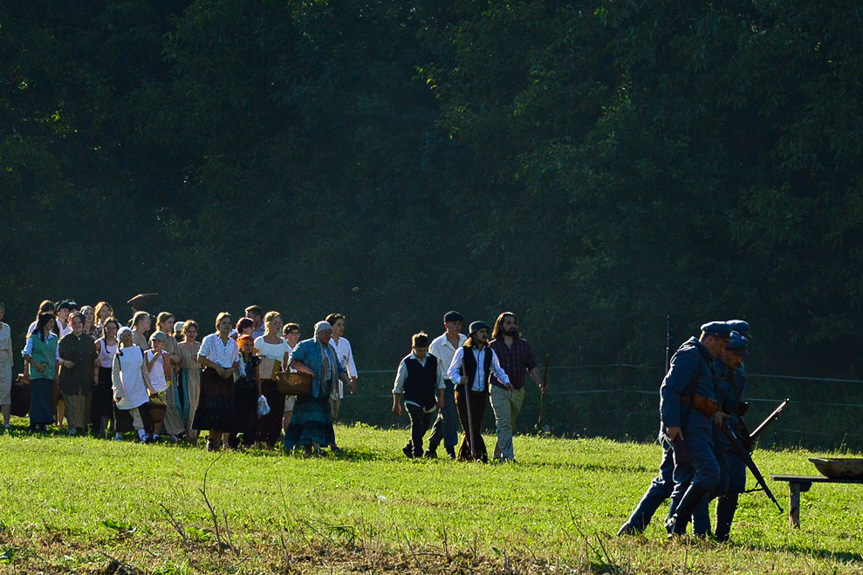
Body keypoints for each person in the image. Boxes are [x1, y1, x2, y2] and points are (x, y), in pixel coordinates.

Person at [617, 321, 731, 536]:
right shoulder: (691, 355)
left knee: (666, 481)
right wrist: (672, 424)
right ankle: (677, 522)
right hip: (687, 432)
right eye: (722, 344)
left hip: (690, 430)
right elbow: (669, 389)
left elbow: (695, 395)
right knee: (709, 472)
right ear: (710, 339)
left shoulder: (703, 359)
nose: (724, 350)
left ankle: (633, 528)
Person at [285, 321, 355, 455]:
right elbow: (293, 361)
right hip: (308, 390)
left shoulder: (330, 349)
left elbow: (339, 369)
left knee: (319, 419)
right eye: (325, 333)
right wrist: (308, 371)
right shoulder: (306, 345)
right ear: (317, 333)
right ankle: (307, 448)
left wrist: (348, 382)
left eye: (329, 333)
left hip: (324, 390)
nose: (328, 336)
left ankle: (316, 447)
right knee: (308, 419)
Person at [447, 321, 511, 463]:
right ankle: (480, 455)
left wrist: (506, 381)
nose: (484, 335)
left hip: (480, 394)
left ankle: (463, 457)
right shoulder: (462, 351)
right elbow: (451, 371)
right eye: (481, 332)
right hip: (464, 394)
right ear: (473, 334)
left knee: (474, 426)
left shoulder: (489, 351)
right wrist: (459, 379)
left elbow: (497, 369)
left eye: (485, 332)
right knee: (469, 425)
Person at [711, 323, 751, 542]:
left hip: (732, 427)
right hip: (717, 429)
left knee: (734, 483)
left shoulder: (736, 367)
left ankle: (722, 534)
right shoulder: (715, 366)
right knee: (716, 480)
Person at [488, 312, 545, 462]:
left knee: (510, 424)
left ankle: (497, 454)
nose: (511, 325)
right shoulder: (492, 346)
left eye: (513, 323)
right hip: (499, 390)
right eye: (508, 323)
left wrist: (540, 383)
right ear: (500, 326)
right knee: (504, 423)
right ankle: (508, 458)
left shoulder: (523, 345)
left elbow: (532, 367)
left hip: (518, 391)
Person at [392, 332, 445, 458]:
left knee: (424, 426)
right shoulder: (406, 362)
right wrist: (396, 403)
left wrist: (441, 398)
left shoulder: (433, 361)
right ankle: (417, 452)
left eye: (424, 350)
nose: (421, 353)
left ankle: (409, 446)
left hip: (428, 398)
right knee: (416, 422)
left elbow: (440, 381)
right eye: (419, 350)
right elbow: (398, 385)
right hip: (412, 398)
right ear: (413, 348)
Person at [194, 312, 239, 451]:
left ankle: (218, 443)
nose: (226, 326)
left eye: (229, 323)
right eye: (223, 323)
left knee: (224, 410)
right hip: (212, 375)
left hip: (227, 377)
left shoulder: (233, 343)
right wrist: (217, 367)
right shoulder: (210, 339)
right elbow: (200, 357)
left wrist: (230, 371)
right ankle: (211, 440)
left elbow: (236, 362)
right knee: (213, 409)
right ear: (218, 325)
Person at [426, 311, 466, 459]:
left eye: (459, 324)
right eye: (454, 324)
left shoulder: (465, 340)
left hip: (461, 382)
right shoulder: (436, 345)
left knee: (444, 416)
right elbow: (432, 369)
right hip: (444, 383)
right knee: (449, 415)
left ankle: (431, 448)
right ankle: (450, 449)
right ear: (446, 325)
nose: (457, 327)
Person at [112, 326, 157, 442]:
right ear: (119, 338)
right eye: (124, 335)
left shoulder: (139, 351)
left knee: (138, 410)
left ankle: (142, 433)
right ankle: (119, 434)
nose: (127, 338)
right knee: (122, 410)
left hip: (138, 385)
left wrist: (150, 388)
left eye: (128, 335)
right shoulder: (118, 354)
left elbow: (144, 370)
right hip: (124, 385)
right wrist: (118, 390)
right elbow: (115, 374)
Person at [57, 312, 98, 435]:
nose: (77, 325)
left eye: (79, 322)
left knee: (83, 402)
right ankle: (72, 427)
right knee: (71, 401)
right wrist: (64, 362)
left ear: (83, 324)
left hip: (85, 376)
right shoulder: (65, 340)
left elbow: (94, 359)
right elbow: (56, 357)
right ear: (70, 324)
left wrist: (96, 375)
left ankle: (82, 427)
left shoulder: (89, 341)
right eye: (74, 323)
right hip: (69, 377)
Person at [254, 311, 289, 449]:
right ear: (267, 324)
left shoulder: (283, 342)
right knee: (262, 410)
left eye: (279, 323)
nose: (278, 326)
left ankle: (271, 441)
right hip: (263, 381)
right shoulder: (260, 341)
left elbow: (285, 363)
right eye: (275, 323)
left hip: (277, 380)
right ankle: (258, 439)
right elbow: (253, 360)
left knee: (277, 411)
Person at [22, 313, 59, 432]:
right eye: (50, 322)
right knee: (37, 397)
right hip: (37, 373)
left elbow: (56, 356)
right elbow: (25, 353)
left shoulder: (54, 338)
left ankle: (43, 422)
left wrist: (56, 372)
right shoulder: (34, 337)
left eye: (53, 322)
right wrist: (35, 364)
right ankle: (34, 422)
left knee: (46, 397)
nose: (52, 324)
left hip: (49, 372)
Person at [155, 312, 185, 440]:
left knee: (173, 403)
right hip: (157, 373)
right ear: (161, 323)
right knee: (161, 402)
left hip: (170, 374)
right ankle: (164, 431)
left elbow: (178, 358)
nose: (171, 325)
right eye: (169, 322)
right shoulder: (155, 337)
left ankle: (176, 430)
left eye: (172, 322)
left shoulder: (172, 339)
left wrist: (170, 357)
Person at [325, 313, 358, 425]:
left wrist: (353, 380)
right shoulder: (325, 342)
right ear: (330, 327)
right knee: (326, 409)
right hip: (326, 381)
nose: (341, 328)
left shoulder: (345, 343)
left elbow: (350, 363)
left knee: (335, 410)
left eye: (342, 325)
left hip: (340, 382)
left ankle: (329, 434)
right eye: (338, 325)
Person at [230, 334, 262, 449]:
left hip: (251, 389)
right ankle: (233, 443)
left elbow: (257, 377)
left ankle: (248, 442)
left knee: (251, 417)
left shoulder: (255, 360)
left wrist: (260, 393)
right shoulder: (236, 358)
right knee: (236, 416)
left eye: (250, 345)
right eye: (245, 344)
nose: (248, 347)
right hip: (238, 390)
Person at [91, 317, 120, 435]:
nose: (111, 331)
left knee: (114, 401)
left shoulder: (119, 343)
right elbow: (91, 353)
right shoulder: (100, 343)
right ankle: (102, 429)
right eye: (108, 328)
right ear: (105, 329)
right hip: (102, 373)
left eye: (113, 328)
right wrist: (95, 363)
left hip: (115, 373)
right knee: (102, 402)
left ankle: (114, 427)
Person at [145, 331, 173, 441]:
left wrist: (166, 362)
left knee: (159, 411)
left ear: (164, 343)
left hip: (161, 386)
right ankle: (148, 432)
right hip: (149, 386)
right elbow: (146, 370)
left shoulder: (166, 354)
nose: (156, 343)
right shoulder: (147, 354)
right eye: (154, 341)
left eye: (159, 341)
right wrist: (155, 358)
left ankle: (156, 434)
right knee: (148, 411)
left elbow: (168, 374)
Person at [177, 320, 202, 441]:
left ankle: (195, 433)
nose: (191, 334)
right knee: (189, 405)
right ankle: (187, 432)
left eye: (194, 332)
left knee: (197, 405)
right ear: (184, 332)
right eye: (189, 331)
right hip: (185, 376)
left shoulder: (199, 346)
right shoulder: (180, 346)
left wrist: (200, 360)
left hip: (198, 375)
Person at [282, 323, 301, 432]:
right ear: (285, 335)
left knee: (294, 412)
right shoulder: (283, 346)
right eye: (292, 333)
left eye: (297, 333)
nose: (295, 336)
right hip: (285, 382)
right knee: (287, 412)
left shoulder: (300, 347)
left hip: (299, 383)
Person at [0, 302, 12, 428]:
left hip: (5, 363)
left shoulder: (6, 328)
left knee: (5, 391)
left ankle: (6, 422)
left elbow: (10, 347)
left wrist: (11, 365)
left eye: (2, 311)